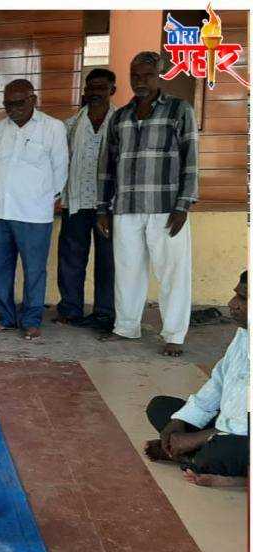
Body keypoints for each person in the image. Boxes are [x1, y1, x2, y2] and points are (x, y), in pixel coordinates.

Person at [97, 51, 198, 357]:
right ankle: (126, 327)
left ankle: (174, 334)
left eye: (147, 75)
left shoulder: (179, 110)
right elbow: (107, 165)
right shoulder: (120, 116)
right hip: (126, 207)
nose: (140, 81)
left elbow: (191, 160)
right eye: (135, 76)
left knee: (173, 272)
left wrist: (183, 205)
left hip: (166, 207)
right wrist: (102, 208)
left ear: (159, 76)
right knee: (127, 270)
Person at [144, 271, 247, 488]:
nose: (232, 304)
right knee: (160, 407)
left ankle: (201, 461)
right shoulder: (244, 334)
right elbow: (217, 384)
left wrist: (197, 438)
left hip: (242, 434)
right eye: (236, 295)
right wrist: (180, 421)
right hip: (226, 426)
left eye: (243, 298)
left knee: (223, 452)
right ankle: (193, 456)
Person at [0, 79, 68, 341]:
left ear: (33, 100)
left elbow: (60, 169)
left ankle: (31, 320)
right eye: (7, 104)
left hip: (33, 213)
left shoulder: (53, 127)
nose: (12, 109)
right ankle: (5, 317)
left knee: (34, 270)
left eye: (18, 103)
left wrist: (44, 199)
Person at [55, 69, 117, 331]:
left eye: (101, 87)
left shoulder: (120, 122)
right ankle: (71, 309)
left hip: (110, 205)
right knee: (71, 259)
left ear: (112, 90)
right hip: (76, 202)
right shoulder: (70, 125)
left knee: (108, 262)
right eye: (91, 87)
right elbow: (60, 162)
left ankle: (104, 313)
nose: (95, 92)